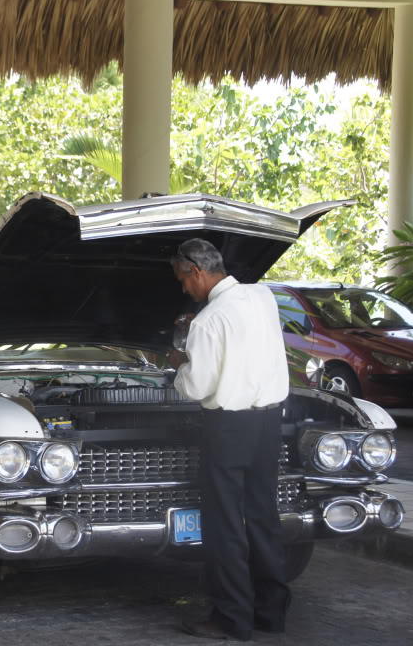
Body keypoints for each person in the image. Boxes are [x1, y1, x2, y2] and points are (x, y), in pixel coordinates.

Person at [165, 238, 291, 642]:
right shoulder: (263, 297)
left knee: (224, 527)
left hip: (228, 428)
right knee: (262, 517)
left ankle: (231, 619)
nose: (184, 289)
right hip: (269, 423)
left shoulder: (207, 322)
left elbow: (197, 386)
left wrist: (180, 365)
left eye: (183, 281)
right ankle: (270, 614)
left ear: (196, 272)